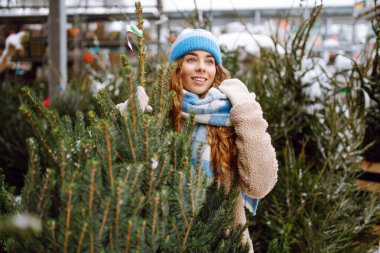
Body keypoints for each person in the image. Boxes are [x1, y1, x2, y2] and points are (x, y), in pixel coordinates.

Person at [117, 28, 278, 253]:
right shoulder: (156, 113)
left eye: (209, 61)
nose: (202, 67)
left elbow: (260, 184)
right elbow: (122, 180)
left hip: (225, 245)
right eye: (192, 59)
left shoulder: (233, 116)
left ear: (216, 69)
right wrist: (125, 121)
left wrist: (246, 109)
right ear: (177, 68)